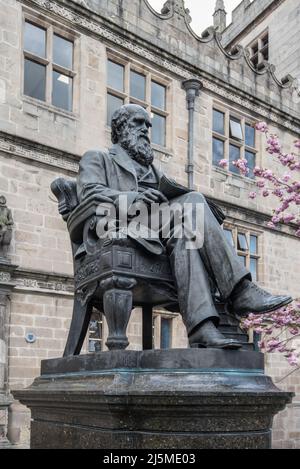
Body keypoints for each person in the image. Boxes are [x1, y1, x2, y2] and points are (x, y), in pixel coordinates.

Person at [77, 104, 292, 349]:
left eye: (148, 124)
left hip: (160, 230)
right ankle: (240, 291)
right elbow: (90, 194)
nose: (146, 129)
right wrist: (134, 200)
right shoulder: (99, 157)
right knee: (194, 202)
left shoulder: (155, 170)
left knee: (185, 236)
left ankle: (201, 328)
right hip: (118, 222)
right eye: (139, 123)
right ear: (120, 127)